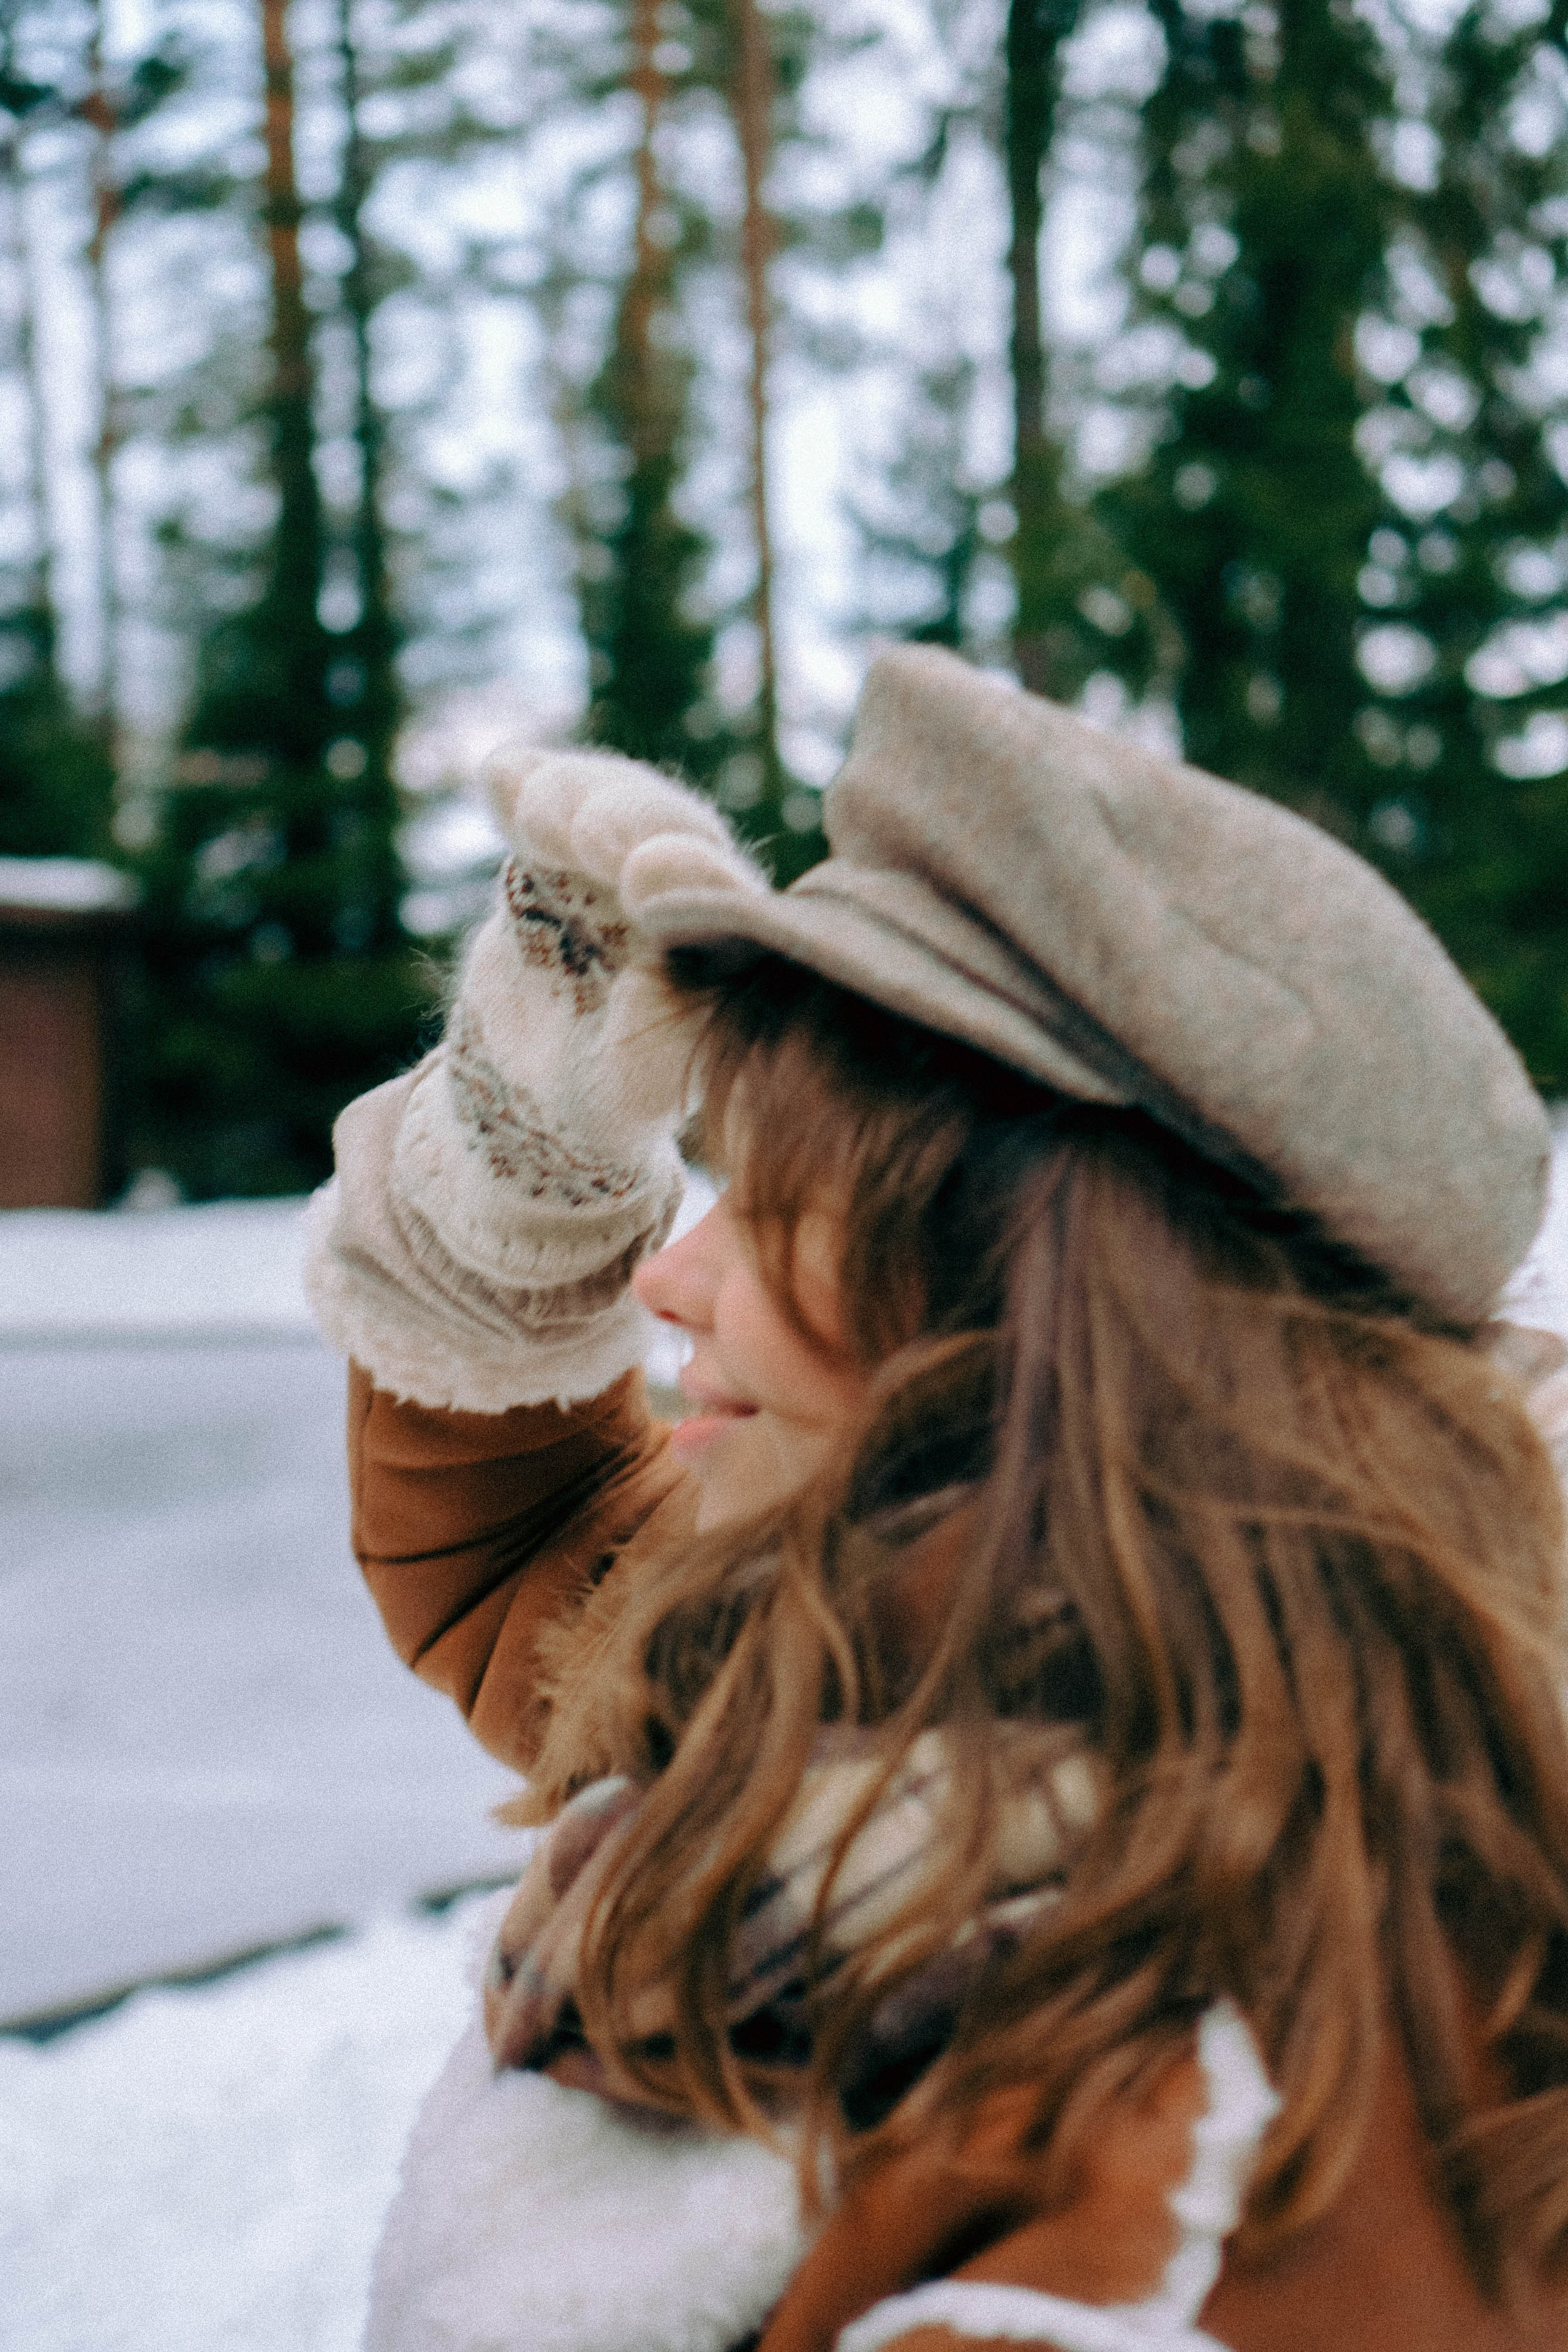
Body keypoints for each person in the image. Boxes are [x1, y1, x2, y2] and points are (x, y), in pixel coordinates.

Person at [307, 645, 1568, 2352]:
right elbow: (564, 1576)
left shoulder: (1190, 2180)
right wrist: (518, 1168)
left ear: (1033, 1315)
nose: (668, 1273)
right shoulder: (1021, 1691)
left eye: (773, 1201)